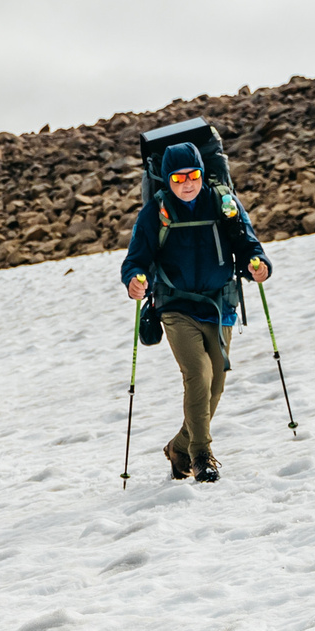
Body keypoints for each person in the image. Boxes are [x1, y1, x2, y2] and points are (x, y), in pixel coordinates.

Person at [120, 139, 270, 483]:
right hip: (175, 305)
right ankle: (202, 455)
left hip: (220, 304)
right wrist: (135, 280)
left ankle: (178, 447)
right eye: (177, 178)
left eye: (193, 175)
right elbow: (136, 259)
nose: (187, 183)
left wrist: (258, 266)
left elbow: (248, 245)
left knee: (216, 383)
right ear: (167, 180)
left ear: (203, 173)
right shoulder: (155, 213)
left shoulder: (223, 203)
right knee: (198, 375)